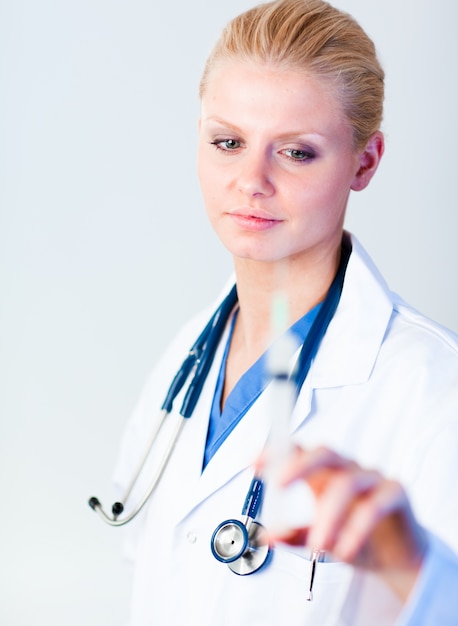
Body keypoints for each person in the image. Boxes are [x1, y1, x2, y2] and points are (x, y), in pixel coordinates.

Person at [111, 1, 458, 624]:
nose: (251, 180)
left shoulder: (433, 391)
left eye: (296, 152)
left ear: (365, 161)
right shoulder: (185, 361)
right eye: (228, 142)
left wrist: (413, 567)